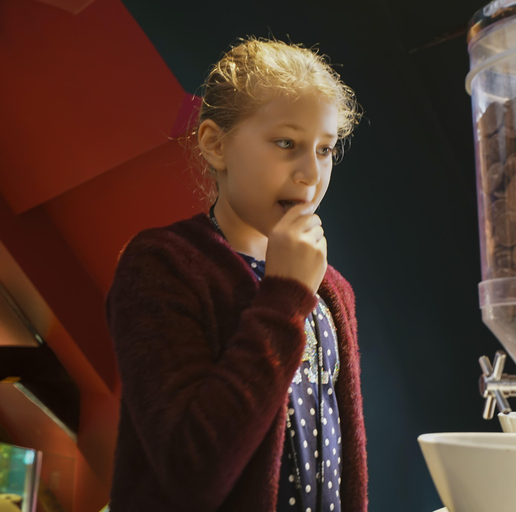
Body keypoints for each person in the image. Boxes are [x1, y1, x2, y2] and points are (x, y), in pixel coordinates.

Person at [105, 37, 367, 512]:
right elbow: (193, 473)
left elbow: (342, 460)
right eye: (286, 143)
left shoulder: (333, 291)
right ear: (215, 144)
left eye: (325, 149)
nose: (311, 173)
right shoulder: (162, 265)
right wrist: (285, 297)